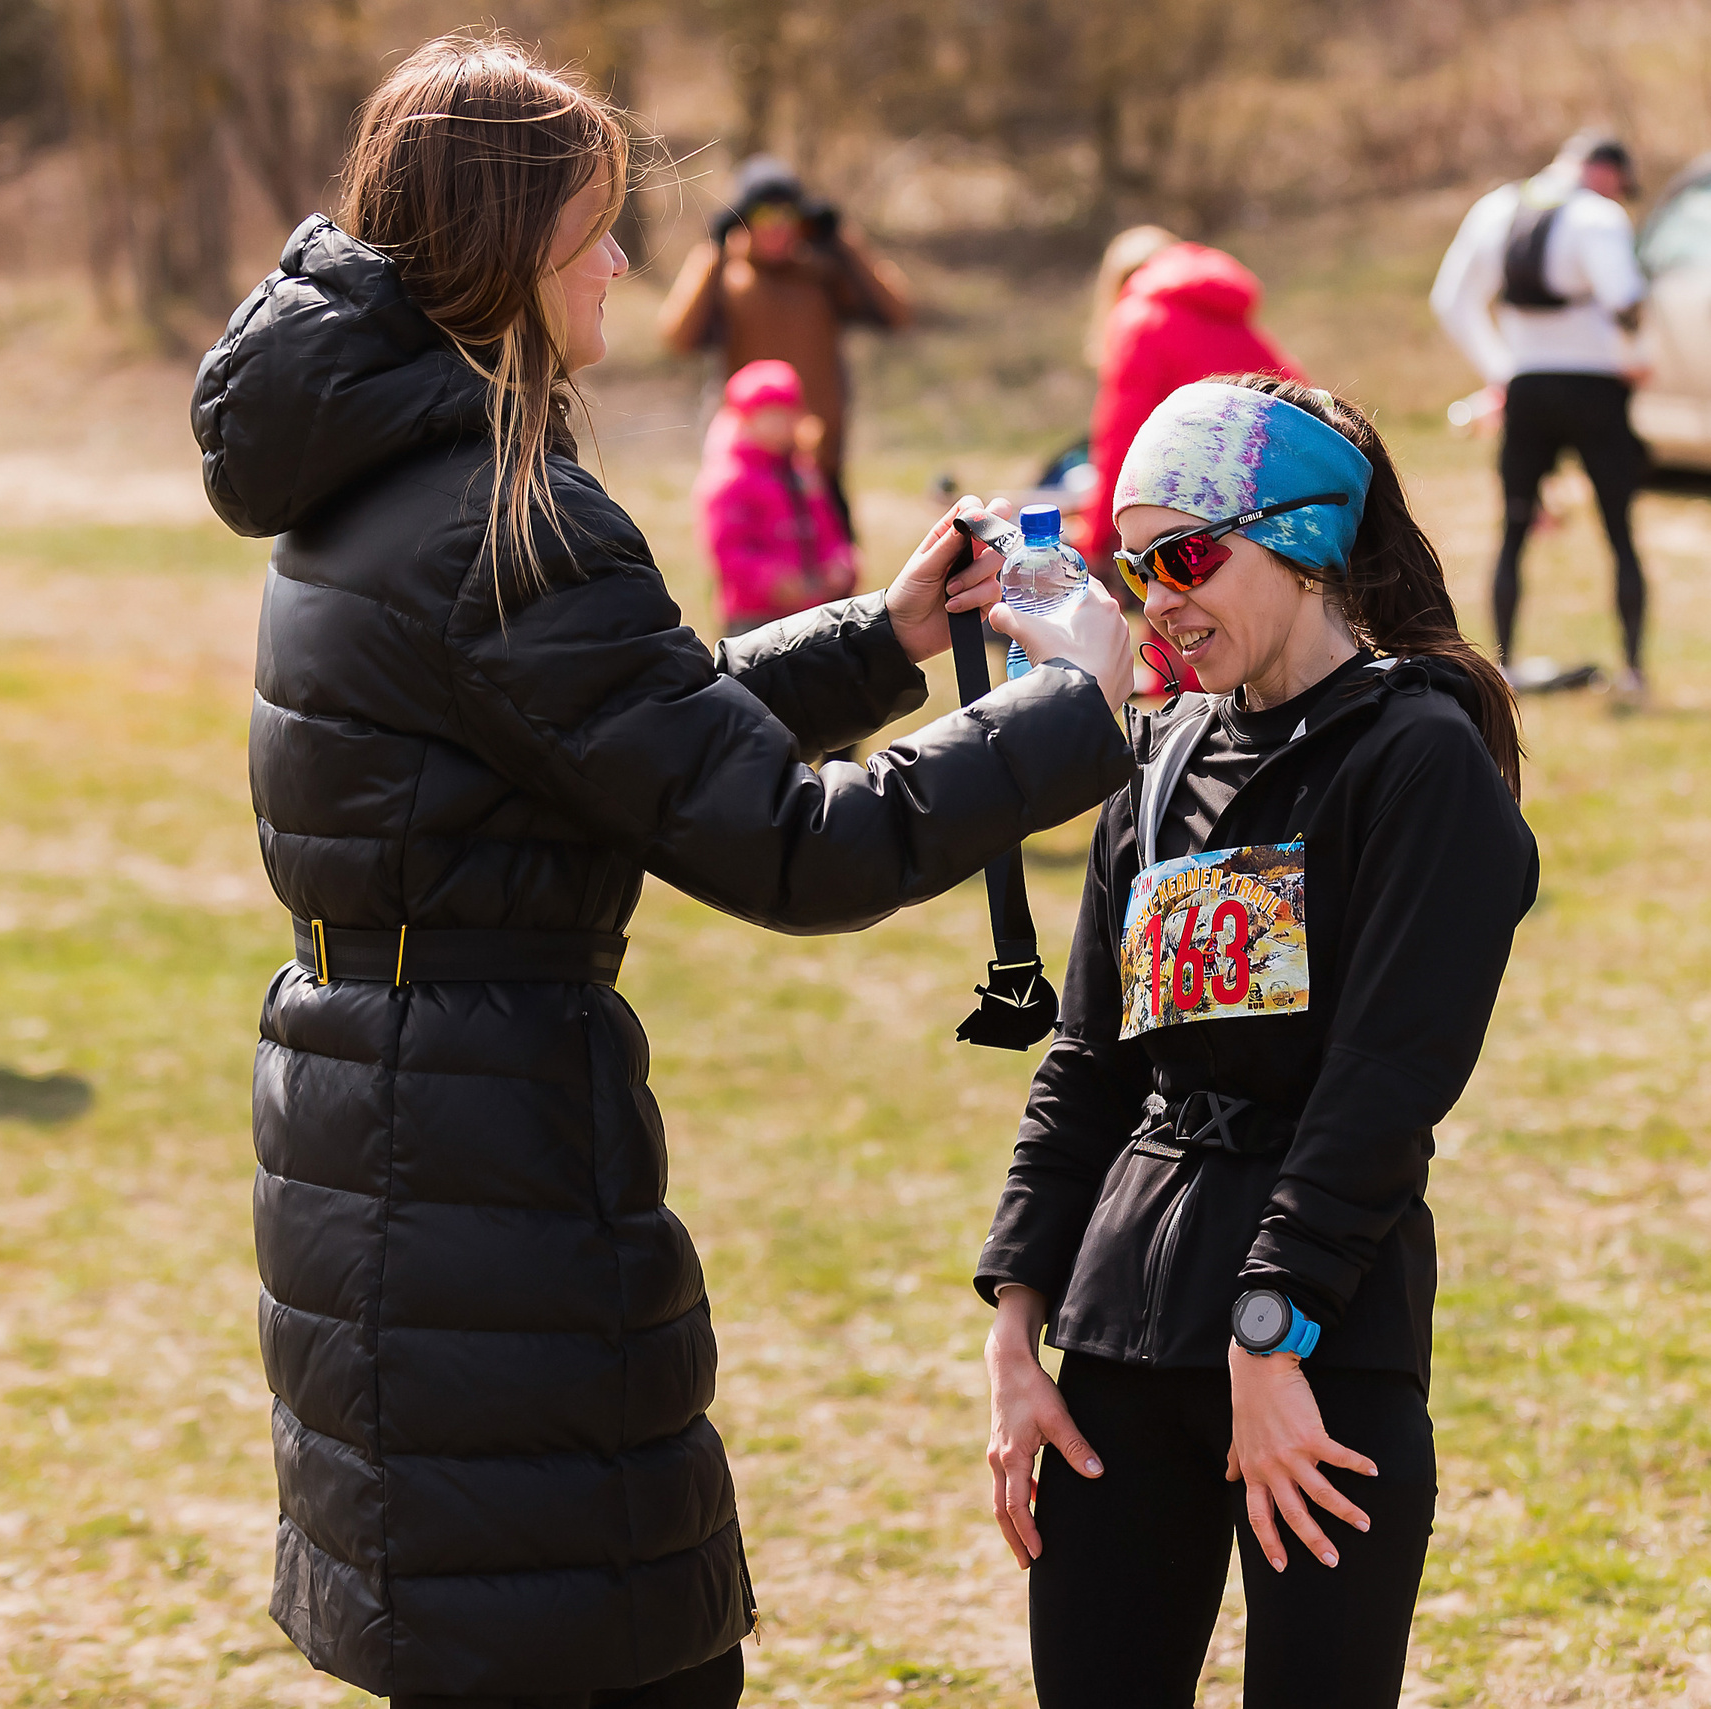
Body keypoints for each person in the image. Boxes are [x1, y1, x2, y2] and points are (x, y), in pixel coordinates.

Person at [192, 34, 1134, 1708]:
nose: (623, 260)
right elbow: (794, 841)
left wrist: (883, 637)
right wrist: (1089, 710)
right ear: (507, 254)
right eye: (594, 229)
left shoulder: (376, 487)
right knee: (615, 1654)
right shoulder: (503, 516)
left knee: (499, 1636)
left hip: (384, 1122)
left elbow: (612, 724)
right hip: (482, 1157)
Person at [973, 376, 1538, 1709]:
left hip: (1317, 1355)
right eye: (1133, 563)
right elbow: (1091, 1065)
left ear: (1301, 537)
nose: (1156, 597)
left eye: (1186, 553)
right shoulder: (1157, 759)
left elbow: (1384, 1086)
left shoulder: (1418, 762)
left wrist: (1269, 1333)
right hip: (1119, 1352)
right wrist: (1015, 1332)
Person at [1430, 133, 1653, 697]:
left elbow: (1450, 298)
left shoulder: (1496, 208)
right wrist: (1636, 358)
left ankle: (1504, 663)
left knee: (1513, 529)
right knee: (1620, 532)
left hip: (1527, 388)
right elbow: (1625, 299)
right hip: (1597, 390)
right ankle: (1632, 670)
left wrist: (1502, 369)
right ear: (1605, 172)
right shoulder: (1598, 217)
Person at [1082, 231, 1305, 694]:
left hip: (1194, 503)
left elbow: (1121, 444)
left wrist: (1097, 537)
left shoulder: (1140, 317)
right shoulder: (1221, 311)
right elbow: (1296, 394)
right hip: (1274, 491)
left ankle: (1188, 714)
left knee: (1170, 583)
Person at [656, 154, 913, 538]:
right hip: (750, 460)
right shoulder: (729, 275)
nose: (777, 228)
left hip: (819, 455)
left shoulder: (821, 275)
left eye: (787, 215)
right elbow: (676, 337)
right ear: (743, 221)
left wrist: (844, 241)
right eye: (763, 216)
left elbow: (898, 313)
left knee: (836, 574)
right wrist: (711, 253)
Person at [695, 357, 855, 635]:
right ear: (743, 420)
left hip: (810, 608)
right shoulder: (730, 480)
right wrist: (769, 580)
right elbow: (726, 549)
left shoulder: (803, 471)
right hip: (753, 616)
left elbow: (828, 528)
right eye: (769, 416)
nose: (780, 425)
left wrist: (839, 562)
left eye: (786, 415)